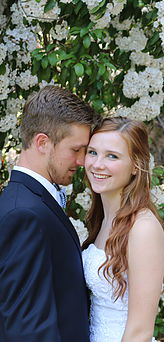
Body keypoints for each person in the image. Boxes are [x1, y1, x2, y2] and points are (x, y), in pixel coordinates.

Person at [0, 85, 100, 342]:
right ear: (42, 142)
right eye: (75, 149)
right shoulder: (24, 214)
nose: (81, 161)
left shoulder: (32, 201)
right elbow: (28, 328)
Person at [82, 117, 164, 342]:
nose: (97, 164)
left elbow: (140, 332)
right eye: (92, 152)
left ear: (136, 166)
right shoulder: (102, 219)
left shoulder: (143, 229)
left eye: (112, 156)